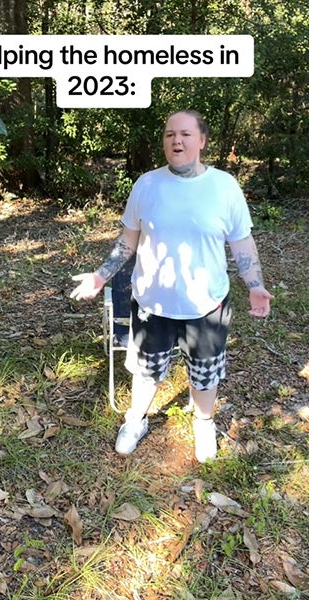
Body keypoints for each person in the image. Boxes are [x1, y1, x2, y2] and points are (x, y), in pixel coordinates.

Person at [70, 110, 273, 463]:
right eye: (169, 135)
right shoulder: (146, 185)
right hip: (152, 303)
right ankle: (136, 419)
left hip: (207, 305)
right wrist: (101, 275)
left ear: (202, 141)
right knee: (146, 370)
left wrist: (255, 285)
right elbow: (127, 243)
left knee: (205, 373)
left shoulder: (224, 187)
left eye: (185, 134)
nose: (176, 141)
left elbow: (242, 243)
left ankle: (204, 422)